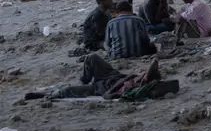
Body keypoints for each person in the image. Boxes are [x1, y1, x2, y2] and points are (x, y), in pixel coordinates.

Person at [22, 54, 171, 102]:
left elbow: (109, 96)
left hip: (102, 88)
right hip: (112, 76)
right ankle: (83, 80)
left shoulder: (133, 89)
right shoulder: (136, 80)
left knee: (67, 90)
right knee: (92, 57)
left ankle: (45, 95)